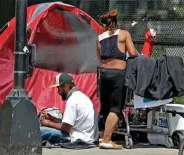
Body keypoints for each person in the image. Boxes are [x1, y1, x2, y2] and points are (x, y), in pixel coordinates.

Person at [96, 9, 138, 149]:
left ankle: (102, 137)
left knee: (105, 107)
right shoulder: (124, 34)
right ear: (116, 22)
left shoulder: (100, 37)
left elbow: (99, 57)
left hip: (103, 74)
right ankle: (107, 140)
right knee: (116, 108)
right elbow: (132, 53)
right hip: (117, 74)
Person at [40, 72, 99, 144]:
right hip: (89, 137)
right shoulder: (80, 96)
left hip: (79, 139)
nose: (58, 92)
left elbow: (66, 128)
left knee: (39, 131)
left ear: (65, 86)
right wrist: (52, 118)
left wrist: (48, 123)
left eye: (58, 88)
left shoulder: (72, 100)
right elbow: (70, 123)